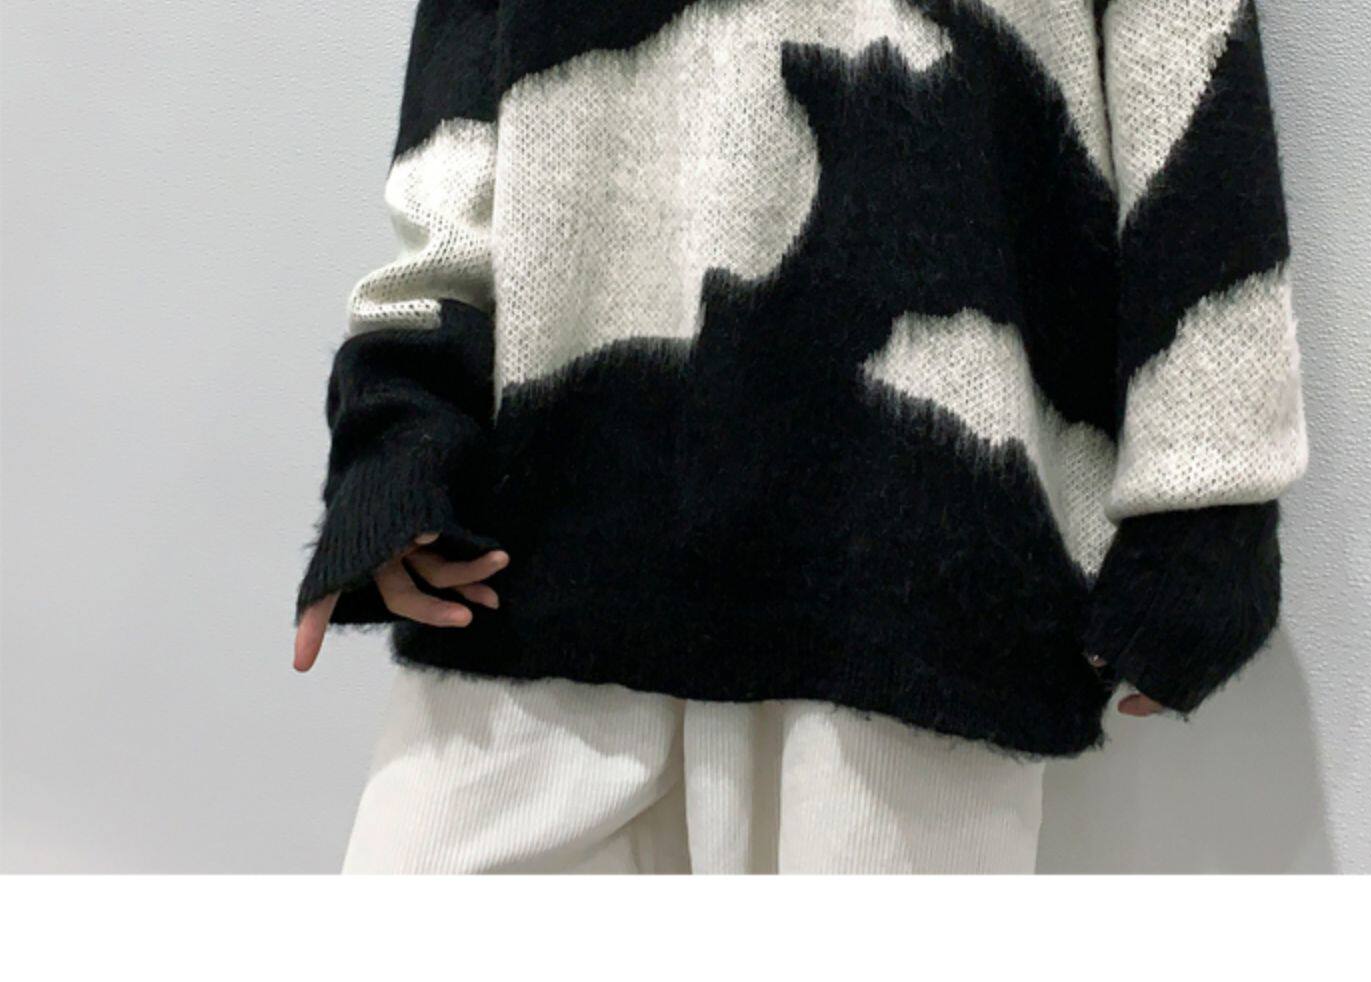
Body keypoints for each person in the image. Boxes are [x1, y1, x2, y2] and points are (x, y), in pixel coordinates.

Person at [294, 0, 1307, 874]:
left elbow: (1188, 48)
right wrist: (407, 421)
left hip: (917, 551)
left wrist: (1209, 487)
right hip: (556, 533)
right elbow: (464, 84)